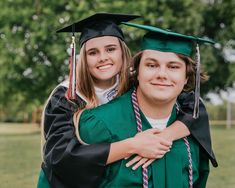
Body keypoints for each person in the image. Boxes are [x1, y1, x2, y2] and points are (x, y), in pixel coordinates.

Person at [38, 13, 217, 188]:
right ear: (83, 58)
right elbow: (60, 157)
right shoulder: (67, 96)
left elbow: (192, 106)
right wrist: (132, 145)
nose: (103, 58)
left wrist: (165, 136)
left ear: (123, 52)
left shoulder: (132, 80)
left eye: (110, 49)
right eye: (93, 52)